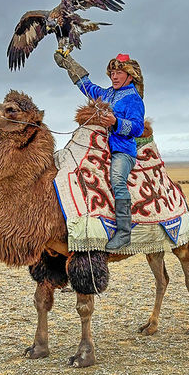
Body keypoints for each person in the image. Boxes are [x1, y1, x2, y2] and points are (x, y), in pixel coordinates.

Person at [54, 52, 145, 250]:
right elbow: (87, 86)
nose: (114, 76)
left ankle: (123, 233)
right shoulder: (107, 93)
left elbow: (138, 128)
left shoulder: (134, 100)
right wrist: (69, 63)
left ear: (130, 76)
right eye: (112, 72)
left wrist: (117, 122)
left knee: (117, 179)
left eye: (119, 72)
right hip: (98, 146)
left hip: (122, 151)